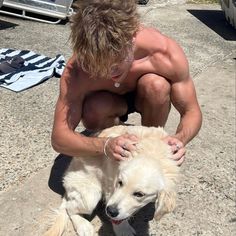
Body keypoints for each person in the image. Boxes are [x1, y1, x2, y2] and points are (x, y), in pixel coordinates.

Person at [51, 0, 202, 166]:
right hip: (108, 102)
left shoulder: (165, 52)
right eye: (99, 68)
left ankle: (149, 143)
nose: (109, 73)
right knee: (94, 109)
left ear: (132, 38)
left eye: (116, 64)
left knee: (157, 86)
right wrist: (105, 145)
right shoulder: (77, 69)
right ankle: (118, 143)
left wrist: (180, 139)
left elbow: (191, 110)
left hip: (146, 95)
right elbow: (59, 138)